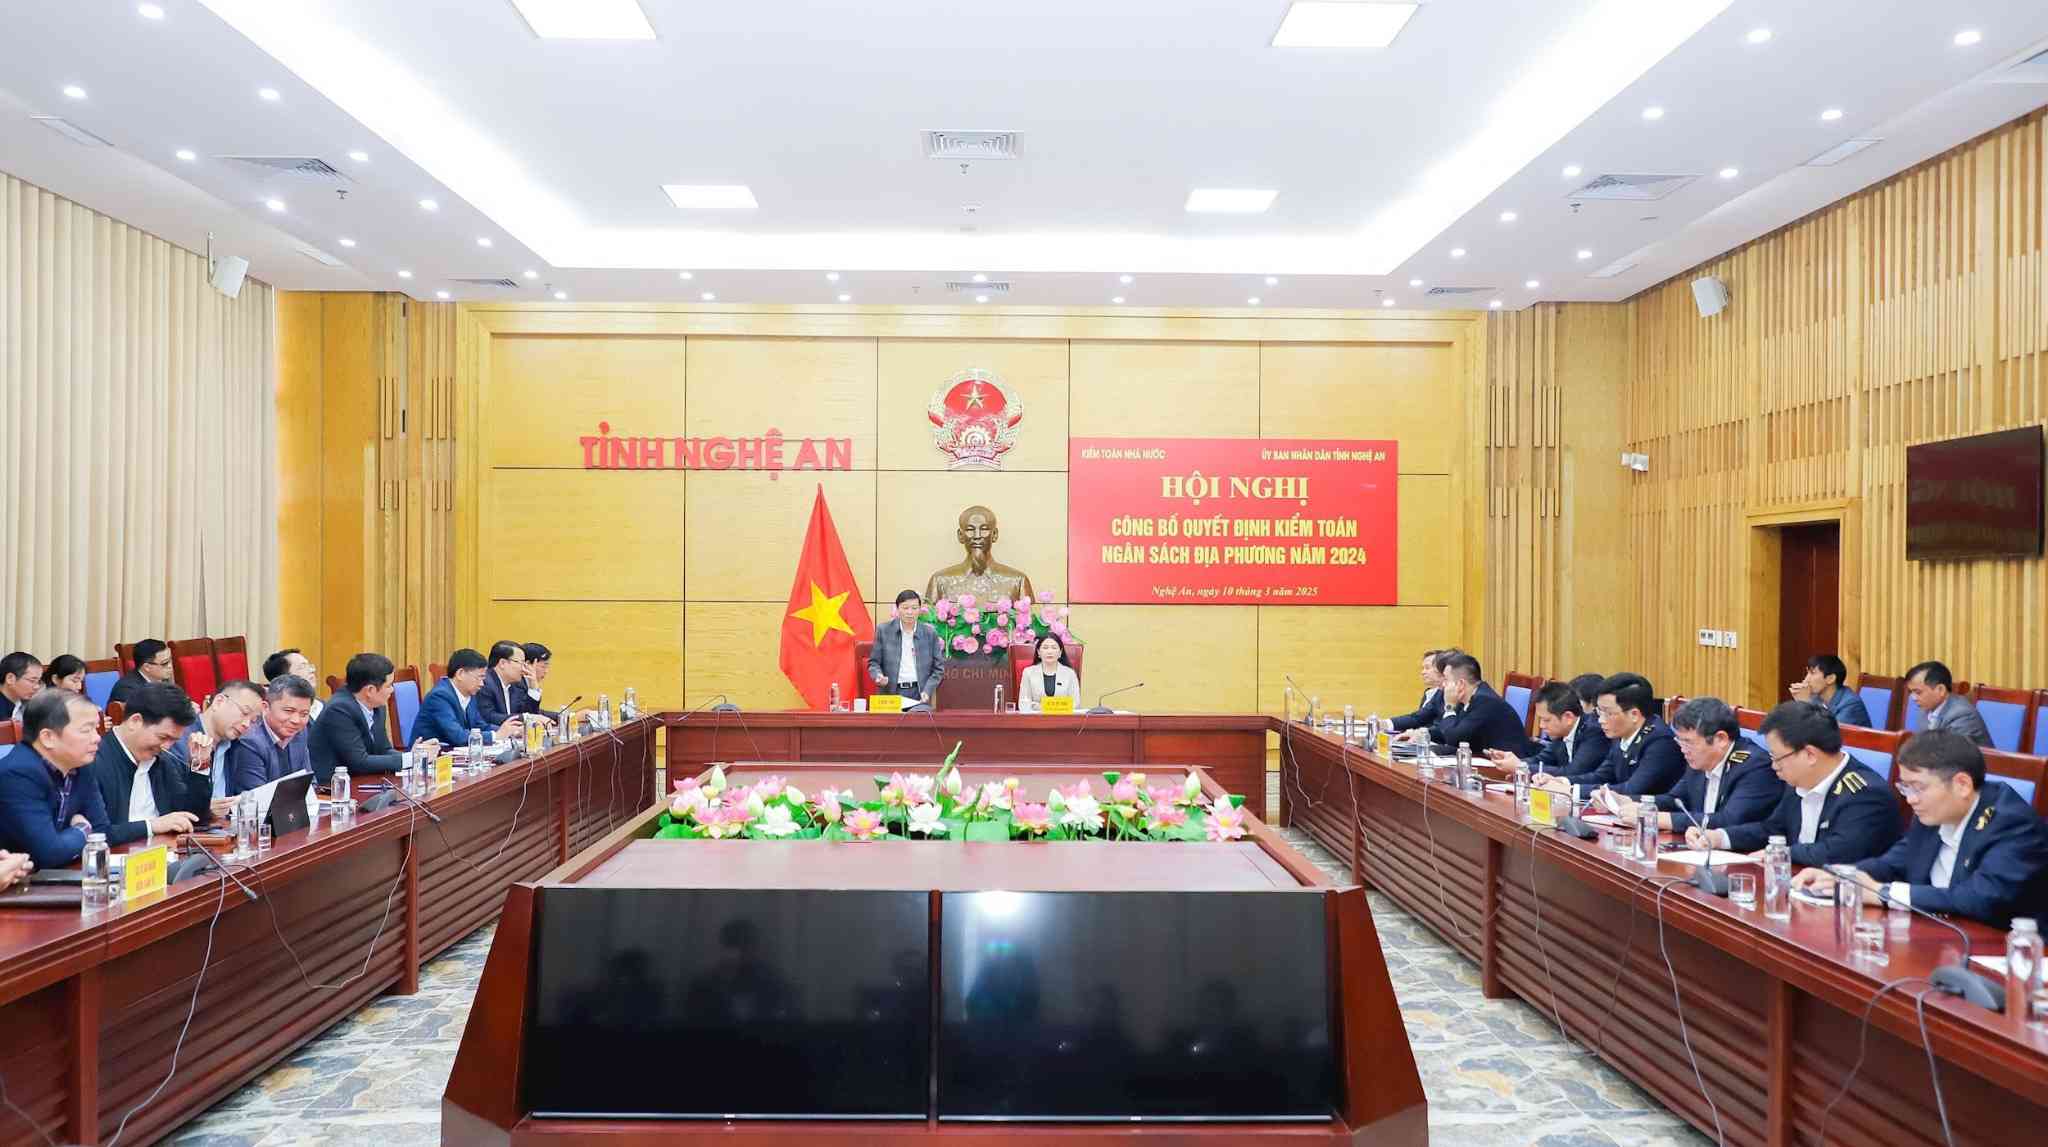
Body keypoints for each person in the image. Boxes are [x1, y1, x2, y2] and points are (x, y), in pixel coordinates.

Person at [1795, 731, 2048, 927]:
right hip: (1935, 935)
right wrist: (1841, 876)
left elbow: (1980, 898)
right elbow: (1892, 863)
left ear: (1962, 784)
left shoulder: (2012, 824)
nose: (1910, 799)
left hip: (2001, 955)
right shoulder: (1932, 811)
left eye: (1918, 787)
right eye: (1905, 787)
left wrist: (1882, 893)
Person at [1687, 701, 1900, 867]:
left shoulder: (1865, 794)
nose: (1773, 766)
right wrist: (1719, 837)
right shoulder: (1800, 778)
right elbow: (1773, 829)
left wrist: (1779, 853)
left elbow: (1837, 853)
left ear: (1809, 754)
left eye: (1777, 757)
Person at [1615, 697, 1782, 834]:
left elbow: (1729, 821)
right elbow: (1675, 800)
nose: (1682, 749)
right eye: (1679, 741)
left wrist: (1658, 818)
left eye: (1688, 742)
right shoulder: (1700, 758)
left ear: (1720, 739)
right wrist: (1629, 801)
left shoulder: (1755, 767)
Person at [84, 683, 223, 846]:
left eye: (174, 740)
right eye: (163, 737)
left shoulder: (163, 760)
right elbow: (97, 833)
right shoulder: (93, 761)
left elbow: (193, 817)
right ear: (135, 721)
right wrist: (152, 825)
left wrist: (200, 765)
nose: (166, 746)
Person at [0, 689, 110, 868]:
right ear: (48, 737)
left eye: (96, 728)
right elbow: (50, 853)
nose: (97, 738)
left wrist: (73, 838)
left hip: (65, 875)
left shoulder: (81, 764)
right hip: (19, 886)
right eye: (86, 730)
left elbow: (103, 832)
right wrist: (82, 829)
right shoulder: (17, 775)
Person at [311, 653, 437, 785]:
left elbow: (383, 750)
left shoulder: (377, 706)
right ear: (370, 690)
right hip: (334, 788)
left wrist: (413, 755)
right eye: (388, 685)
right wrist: (411, 759)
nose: (392, 690)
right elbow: (359, 761)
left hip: (364, 780)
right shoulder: (339, 710)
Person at [1568, 673, 1685, 797]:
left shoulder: (1661, 742)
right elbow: (1602, 776)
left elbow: (1632, 789)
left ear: (1634, 714)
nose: (1600, 720)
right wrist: (1564, 783)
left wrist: (1573, 791)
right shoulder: (1622, 733)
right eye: (1599, 712)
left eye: (1608, 713)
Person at [1408, 654, 1531, 756]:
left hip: (1506, 770)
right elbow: (1453, 731)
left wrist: (1449, 706)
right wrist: (1423, 733)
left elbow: (1454, 739)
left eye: (1446, 679)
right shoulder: (1470, 697)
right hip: (1482, 758)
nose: (1443, 685)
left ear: (1460, 684)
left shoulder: (1485, 701)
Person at [166, 680, 264, 798]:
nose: (247, 724)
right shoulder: (180, 740)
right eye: (244, 712)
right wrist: (208, 808)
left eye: (253, 721)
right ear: (219, 702)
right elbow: (174, 800)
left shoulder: (236, 746)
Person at [1500, 681, 1612, 783]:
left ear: (1568, 717)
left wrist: (1521, 767)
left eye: (1546, 720)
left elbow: (1573, 772)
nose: (1541, 726)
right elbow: (1541, 760)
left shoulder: (1595, 732)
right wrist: (1509, 762)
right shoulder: (1561, 733)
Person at [414, 648, 523, 749]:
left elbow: (481, 726)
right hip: (429, 760)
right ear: (460, 674)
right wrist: (496, 735)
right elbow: (458, 736)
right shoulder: (439, 697)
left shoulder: (469, 694)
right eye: (479, 678)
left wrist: (510, 731)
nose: (481, 684)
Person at [225, 676, 316, 795]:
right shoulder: (250, 741)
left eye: (304, 714)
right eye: (288, 711)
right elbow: (256, 797)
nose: (296, 720)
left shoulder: (300, 731)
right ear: (265, 707)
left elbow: (310, 784)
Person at [867, 591, 944, 706]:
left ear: (920, 610)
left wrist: (927, 690)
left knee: (918, 723)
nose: (910, 612)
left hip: (919, 693)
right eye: (905, 608)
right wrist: (878, 676)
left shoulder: (929, 633)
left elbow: (938, 669)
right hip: (890, 693)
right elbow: (873, 663)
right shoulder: (884, 630)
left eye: (914, 608)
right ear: (897, 609)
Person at [1904, 661, 1990, 747]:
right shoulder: (1925, 709)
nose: (1913, 698)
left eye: (1918, 692)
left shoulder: (1962, 715)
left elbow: (1950, 757)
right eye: (1911, 692)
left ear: (1940, 690)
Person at [1788, 654, 1871, 727]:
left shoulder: (1851, 703)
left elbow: (1830, 736)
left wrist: (1806, 703)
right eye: (1807, 673)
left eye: (1812, 673)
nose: (1806, 679)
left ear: (1830, 679)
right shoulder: (1814, 697)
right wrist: (1800, 704)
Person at [1018, 633, 1080, 712]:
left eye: (1054, 648)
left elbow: (1076, 703)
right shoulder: (1028, 673)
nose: (1049, 651)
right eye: (1045, 648)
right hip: (1036, 720)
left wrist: (1041, 706)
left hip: (1063, 719)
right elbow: (1023, 703)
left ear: (1060, 652)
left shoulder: (1070, 673)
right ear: (1038, 652)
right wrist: (1058, 706)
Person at [1388, 650, 1447, 733]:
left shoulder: (1444, 693)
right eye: (1423, 668)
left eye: (1427, 668)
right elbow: (1418, 719)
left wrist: (1418, 733)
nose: (1423, 672)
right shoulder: (1429, 692)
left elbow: (1419, 719)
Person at [475, 640, 529, 729]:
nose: (524, 669)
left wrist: (534, 689)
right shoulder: (485, 683)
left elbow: (528, 712)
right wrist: (526, 718)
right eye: (521, 663)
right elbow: (488, 716)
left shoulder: (516, 686)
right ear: (502, 663)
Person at [109, 639, 177, 709]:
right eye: (165, 663)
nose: (170, 666)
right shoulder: (127, 689)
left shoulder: (163, 680)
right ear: (147, 667)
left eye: (170, 660)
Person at [264, 648, 324, 721]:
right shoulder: (274, 714)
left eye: (309, 666)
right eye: (302, 667)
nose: (312, 670)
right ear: (283, 677)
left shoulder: (326, 707)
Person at [1, 651, 42, 720]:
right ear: (10, 678)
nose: (37, 687)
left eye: (39, 681)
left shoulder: (28, 704)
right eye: (32, 681)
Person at [519, 642, 552, 716]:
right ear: (527, 665)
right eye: (543, 666)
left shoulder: (526, 683)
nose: (546, 671)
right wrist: (534, 689)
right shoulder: (516, 684)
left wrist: (561, 716)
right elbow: (527, 714)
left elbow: (537, 712)